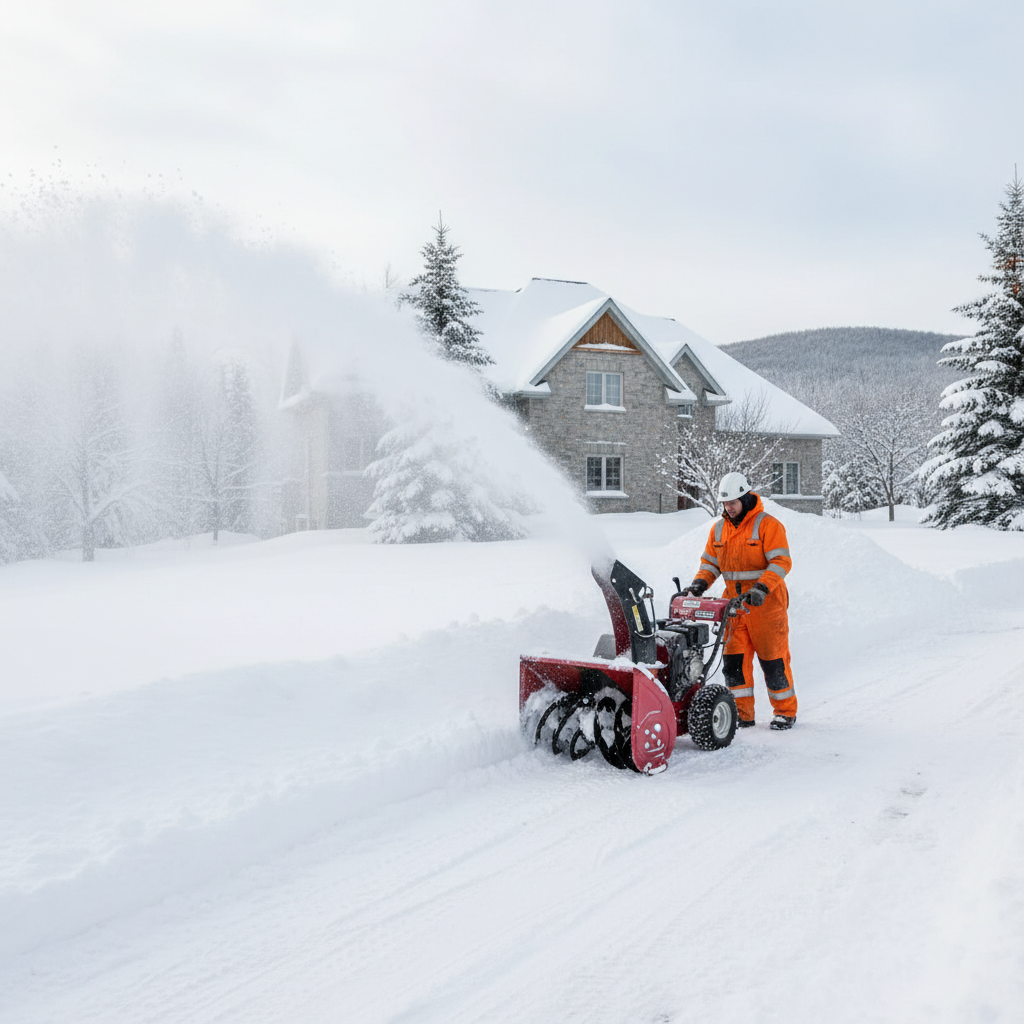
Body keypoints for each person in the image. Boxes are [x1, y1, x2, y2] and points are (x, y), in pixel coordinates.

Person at [682, 472, 797, 730]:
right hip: (734, 606)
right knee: (734, 662)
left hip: (766, 603)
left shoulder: (768, 525)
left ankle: (785, 712)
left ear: (745, 497)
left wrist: (762, 587)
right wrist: (700, 583)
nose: (728, 508)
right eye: (725, 503)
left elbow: (781, 561)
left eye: (733, 502)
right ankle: (743, 714)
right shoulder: (719, 529)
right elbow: (710, 564)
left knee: (773, 661)